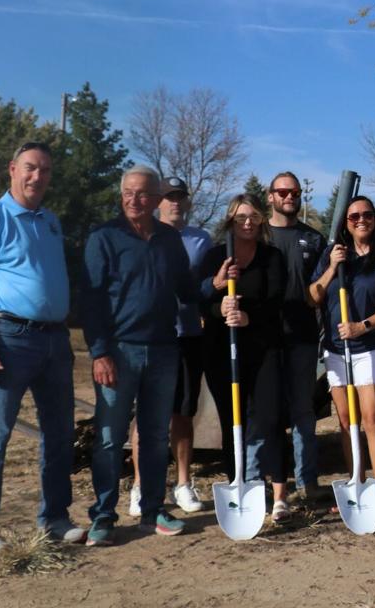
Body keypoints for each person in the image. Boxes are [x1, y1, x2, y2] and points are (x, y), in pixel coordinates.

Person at [0, 141, 83, 556]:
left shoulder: (50, 221)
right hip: (9, 339)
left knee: (60, 434)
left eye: (45, 170)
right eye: (30, 167)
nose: (37, 176)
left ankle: (55, 519)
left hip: (55, 341)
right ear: (12, 169)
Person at [82, 165, 201, 545]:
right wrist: (100, 353)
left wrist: (217, 285)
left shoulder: (168, 239)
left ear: (156, 199)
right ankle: (104, 516)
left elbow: (187, 291)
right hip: (119, 351)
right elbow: (91, 300)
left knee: (153, 436)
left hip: (164, 349)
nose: (135, 199)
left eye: (144, 193)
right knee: (109, 438)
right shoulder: (104, 237)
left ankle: (152, 511)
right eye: (128, 193)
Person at [309, 195, 375, 522]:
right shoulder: (333, 254)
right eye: (354, 217)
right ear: (345, 224)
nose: (361, 220)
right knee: (347, 421)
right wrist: (332, 266)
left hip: (374, 346)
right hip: (338, 348)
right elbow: (313, 296)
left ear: (374, 219)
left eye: (367, 215)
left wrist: (362, 326)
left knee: (372, 419)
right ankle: (356, 488)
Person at [198, 194, 288, 520]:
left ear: (262, 220)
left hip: (263, 349)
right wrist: (218, 300)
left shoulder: (272, 257)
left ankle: (275, 490)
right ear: (230, 221)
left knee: (269, 418)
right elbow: (199, 299)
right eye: (240, 218)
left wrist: (249, 316)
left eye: (253, 217)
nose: (247, 223)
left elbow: (277, 301)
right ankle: (239, 485)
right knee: (232, 420)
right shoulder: (214, 257)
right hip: (222, 350)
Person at [128, 177, 211, 517]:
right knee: (146, 414)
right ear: (157, 202)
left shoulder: (201, 240)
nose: (175, 202)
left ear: (188, 202)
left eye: (180, 196)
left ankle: (183, 483)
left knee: (183, 413)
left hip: (188, 335)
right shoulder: (143, 234)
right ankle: (140, 485)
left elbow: (205, 286)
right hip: (150, 337)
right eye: (168, 196)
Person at [261, 172, 326, 504]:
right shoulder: (257, 235)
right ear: (270, 195)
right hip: (264, 340)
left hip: (302, 337)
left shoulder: (313, 239)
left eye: (295, 192)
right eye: (283, 192)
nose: (290, 197)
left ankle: (307, 483)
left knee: (303, 412)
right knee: (267, 414)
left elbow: (324, 289)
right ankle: (269, 484)